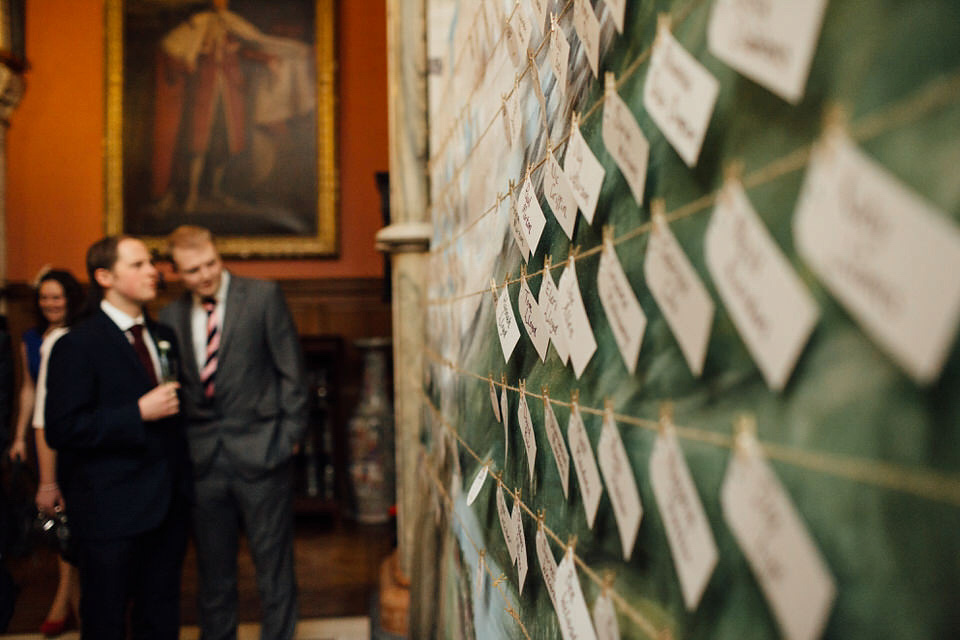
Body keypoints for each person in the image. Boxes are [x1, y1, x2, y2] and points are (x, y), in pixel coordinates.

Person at [159, 225, 307, 640]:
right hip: (203, 459)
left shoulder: (262, 296)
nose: (204, 275)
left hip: (263, 451)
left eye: (210, 263)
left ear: (218, 255)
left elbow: (291, 372)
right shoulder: (169, 316)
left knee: (272, 566)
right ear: (177, 272)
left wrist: (289, 437)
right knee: (213, 571)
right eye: (192, 270)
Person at [44, 236, 190, 640]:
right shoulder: (77, 344)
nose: (152, 272)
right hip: (110, 511)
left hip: (166, 507)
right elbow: (63, 428)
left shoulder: (162, 336)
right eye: (139, 264)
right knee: (106, 619)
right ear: (105, 276)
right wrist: (136, 414)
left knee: (160, 617)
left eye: (151, 264)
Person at [151, 0, 311, 213]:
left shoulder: (234, 25)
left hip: (230, 93)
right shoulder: (198, 24)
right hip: (204, 92)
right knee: (198, 144)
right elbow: (178, 48)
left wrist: (268, 60)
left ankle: (216, 190)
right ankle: (192, 194)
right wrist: (194, 56)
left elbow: (251, 47)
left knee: (226, 143)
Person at [7, 269, 84, 637]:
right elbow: (29, 391)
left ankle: (69, 600)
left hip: (72, 440)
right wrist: (19, 437)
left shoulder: (81, 337)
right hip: (42, 441)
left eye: (57, 296)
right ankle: (69, 600)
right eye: (44, 297)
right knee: (56, 525)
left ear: (70, 298)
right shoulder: (32, 338)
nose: (51, 304)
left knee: (74, 521)